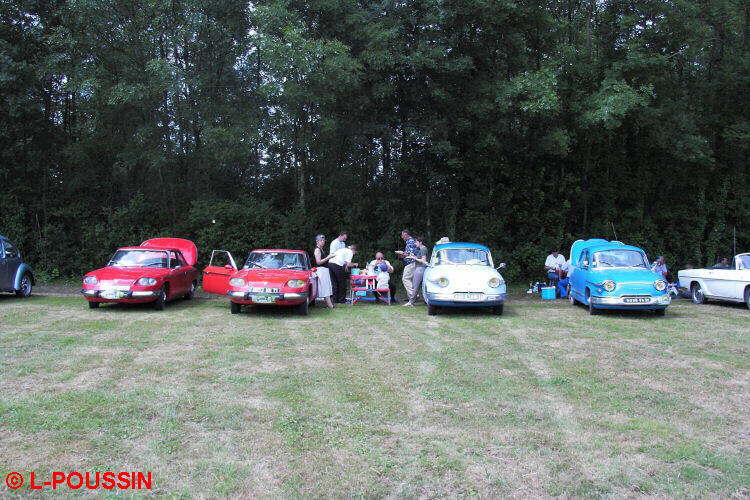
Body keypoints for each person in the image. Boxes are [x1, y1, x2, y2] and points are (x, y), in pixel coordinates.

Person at [405, 235, 429, 306]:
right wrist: (414, 256)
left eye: (416, 242)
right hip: (420, 268)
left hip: (420, 268)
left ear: (420, 242)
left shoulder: (423, 249)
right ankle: (424, 301)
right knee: (420, 286)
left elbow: (423, 260)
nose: (415, 244)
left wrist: (414, 258)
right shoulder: (421, 249)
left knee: (415, 286)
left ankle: (411, 302)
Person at [312, 234, 335, 309]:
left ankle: (330, 305)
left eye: (323, 240)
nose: (323, 242)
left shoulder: (321, 249)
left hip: (324, 270)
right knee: (325, 288)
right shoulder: (317, 250)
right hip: (321, 270)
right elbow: (318, 262)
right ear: (317, 241)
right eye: (321, 240)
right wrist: (328, 257)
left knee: (326, 288)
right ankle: (330, 305)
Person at [398, 229, 418, 302]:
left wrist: (402, 254)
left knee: (405, 278)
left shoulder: (410, 241)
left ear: (406, 235)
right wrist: (403, 256)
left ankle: (414, 294)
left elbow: (410, 254)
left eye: (402, 235)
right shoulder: (410, 241)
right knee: (411, 280)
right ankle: (411, 298)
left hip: (411, 263)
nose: (402, 237)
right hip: (413, 263)